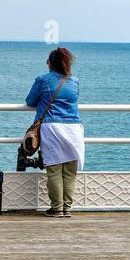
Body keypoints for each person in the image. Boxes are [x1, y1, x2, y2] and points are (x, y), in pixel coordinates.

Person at [25, 47, 84, 217]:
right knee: (70, 172)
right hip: (74, 128)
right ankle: (67, 208)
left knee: (54, 170)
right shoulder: (74, 81)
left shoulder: (43, 79)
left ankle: (56, 208)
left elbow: (30, 101)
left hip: (52, 128)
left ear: (50, 63)